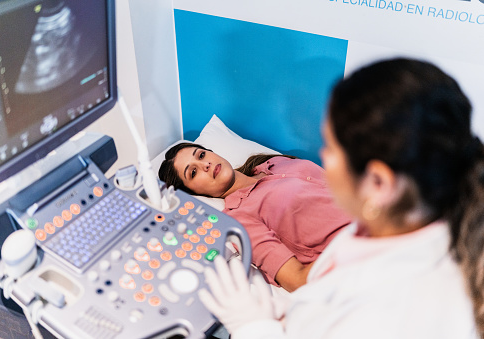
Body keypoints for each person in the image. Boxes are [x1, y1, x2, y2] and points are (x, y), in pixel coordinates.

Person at [197, 58, 484, 339]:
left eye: (330, 149)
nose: (320, 158)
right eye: (192, 172)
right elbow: (307, 278)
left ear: (379, 183)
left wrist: (255, 329)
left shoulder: (393, 309)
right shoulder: (385, 228)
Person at [159, 143, 351, 292]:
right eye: (193, 172)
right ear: (194, 193)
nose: (205, 165)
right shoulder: (239, 220)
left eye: (201, 155)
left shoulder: (273, 163)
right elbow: (297, 279)